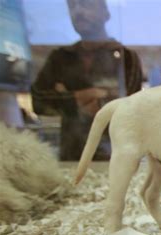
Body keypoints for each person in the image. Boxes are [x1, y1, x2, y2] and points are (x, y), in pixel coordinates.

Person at [31, 0, 143, 161]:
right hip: (71, 155)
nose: (78, 12)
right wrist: (86, 96)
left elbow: (130, 108)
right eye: (72, 6)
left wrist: (66, 96)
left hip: (114, 155)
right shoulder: (60, 57)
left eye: (86, 4)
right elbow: (39, 101)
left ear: (105, 12)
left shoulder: (125, 57)